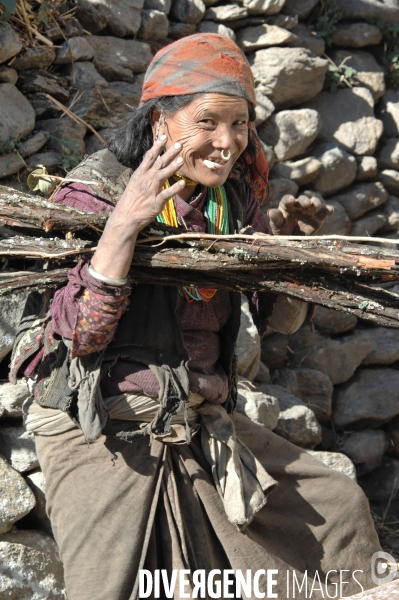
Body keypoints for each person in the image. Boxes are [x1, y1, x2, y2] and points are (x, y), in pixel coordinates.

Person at [14, 34, 382, 600]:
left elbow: (280, 323)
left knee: (338, 512)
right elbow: (82, 338)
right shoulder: (94, 197)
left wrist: (289, 263)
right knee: (117, 586)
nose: (227, 142)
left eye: (240, 124)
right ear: (160, 120)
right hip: (108, 432)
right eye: (208, 121)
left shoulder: (231, 202)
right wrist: (123, 228)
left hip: (198, 415)